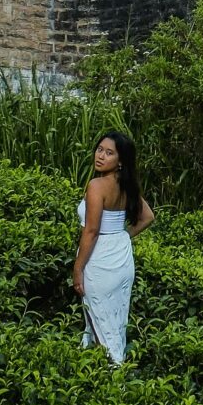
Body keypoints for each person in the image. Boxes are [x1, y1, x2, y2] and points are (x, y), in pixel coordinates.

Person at [73, 130, 153, 367]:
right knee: (113, 319)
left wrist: (78, 269)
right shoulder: (127, 184)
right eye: (99, 149)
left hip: (99, 260)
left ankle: (112, 376)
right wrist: (122, 236)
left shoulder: (97, 186)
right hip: (120, 257)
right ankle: (112, 371)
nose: (101, 156)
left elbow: (91, 231)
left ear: (120, 161)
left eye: (109, 153)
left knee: (100, 319)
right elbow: (147, 217)